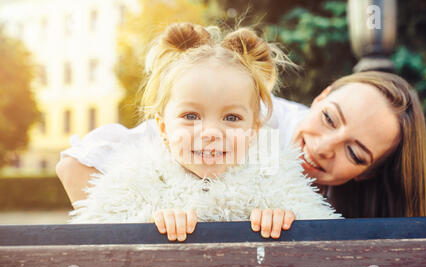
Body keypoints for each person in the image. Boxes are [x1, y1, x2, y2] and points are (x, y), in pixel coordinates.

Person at [57, 49, 426, 223]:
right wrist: (158, 224)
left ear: (368, 173)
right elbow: (74, 167)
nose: (320, 147)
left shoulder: (359, 213)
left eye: (354, 153)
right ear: (320, 97)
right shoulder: (247, 124)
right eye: (329, 118)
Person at [65, 23, 340, 241]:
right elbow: (101, 231)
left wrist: (286, 221)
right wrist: (147, 226)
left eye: (231, 117)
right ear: (163, 128)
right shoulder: (139, 173)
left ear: (254, 130)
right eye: (191, 116)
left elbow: (319, 234)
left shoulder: (270, 173)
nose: (210, 132)